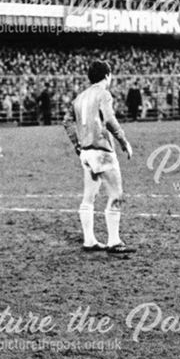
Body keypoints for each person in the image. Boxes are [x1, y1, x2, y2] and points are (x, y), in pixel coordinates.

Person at [62, 60, 134, 254]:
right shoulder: (103, 94)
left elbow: (67, 122)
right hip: (102, 151)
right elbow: (109, 119)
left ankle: (90, 240)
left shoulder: (79, 98)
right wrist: (123, 141)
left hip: (86, 153)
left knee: (89, 197)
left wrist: (78, 145)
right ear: (107, 75)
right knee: (116, 195)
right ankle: (114, 241)